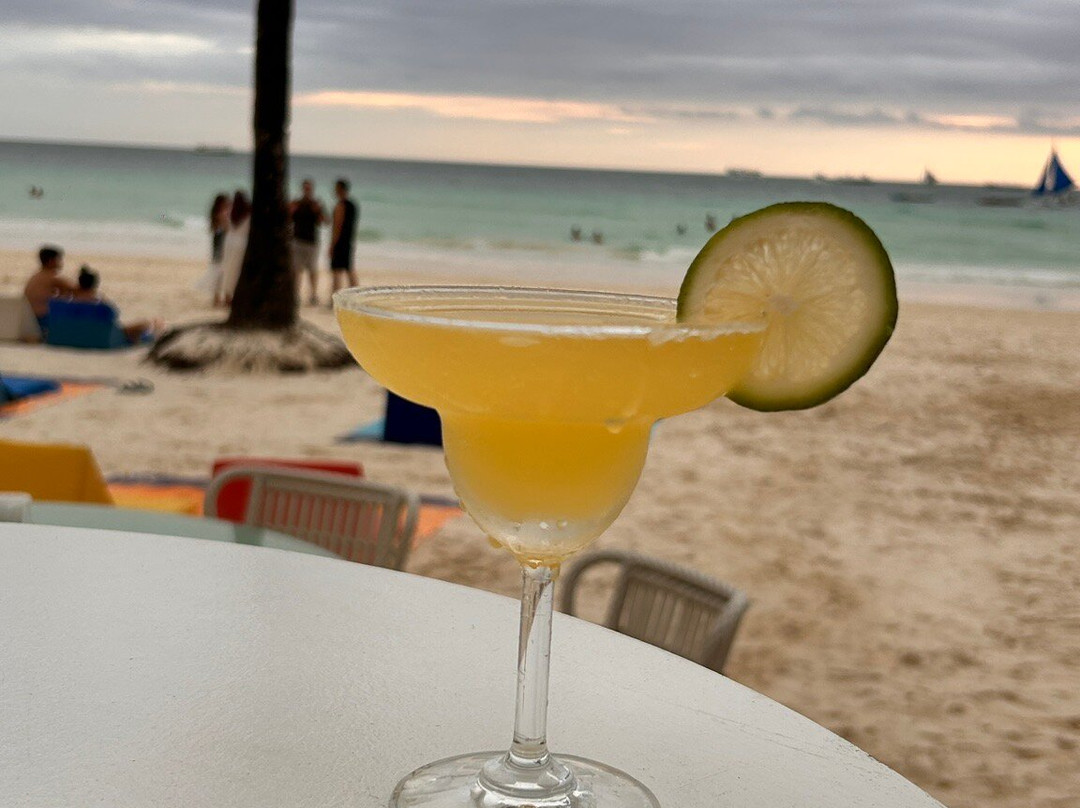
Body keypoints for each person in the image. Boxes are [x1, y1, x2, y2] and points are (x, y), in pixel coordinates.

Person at [71, 265, 161, 344]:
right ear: (94, 284)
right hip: (103, 337)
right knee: (144, 324)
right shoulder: (101, 306)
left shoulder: (70, 303)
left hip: (80, 334)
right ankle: (154, 332)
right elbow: (113, 317)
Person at [23, 245, 76, 337]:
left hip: (30, 318)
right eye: (59, 259)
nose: (61, 263)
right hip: (42, 318)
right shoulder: (51, 277)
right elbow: (78, 290)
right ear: (51, 261)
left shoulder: (36, 276)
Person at [290, 179, 326, 306]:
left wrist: (318, 210)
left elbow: (324, 222)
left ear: (312, 190)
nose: (307, 190)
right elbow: (287, 219)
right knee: (296, 270)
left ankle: (313, 295)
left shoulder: (315, 204)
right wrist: (291, 210)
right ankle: (295, 295)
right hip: (298, 240)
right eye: (305, 188)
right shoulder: (296, 203)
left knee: (312, 270)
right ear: (302, 189)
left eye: (309, 188)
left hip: (312, 242)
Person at [195, 193, 231, 306]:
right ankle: (224, 298)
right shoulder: (222, 215)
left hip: (218, 245)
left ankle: (219, 298)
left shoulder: (215, 215)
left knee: (220, 273)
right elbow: (227, 228)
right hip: (222, 246)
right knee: (223, 273)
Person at [220, 190, 251, 305]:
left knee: (228, 269)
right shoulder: (249, 214)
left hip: (230, 242)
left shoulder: (229, 212)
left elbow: (224, 227)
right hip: (242, 242)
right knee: (240, 271)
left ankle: (227, 297)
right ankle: (239, 297)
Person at [329, 178, 359, 296]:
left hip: (340, 243)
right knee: (349, 270)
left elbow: (337, 227)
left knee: (336, 272)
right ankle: (356, 295)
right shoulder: (352, 205)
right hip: (348, 242)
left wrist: (332, 245)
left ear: (340, 190)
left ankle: (335, 297)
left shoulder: (340, 205)